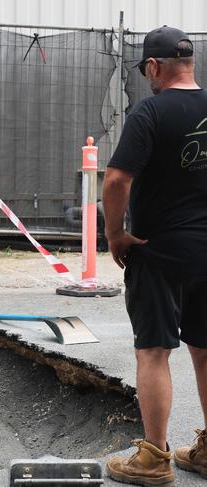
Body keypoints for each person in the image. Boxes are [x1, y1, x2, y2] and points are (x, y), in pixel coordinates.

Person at [103, 26, 207, 485]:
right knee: (205, 351)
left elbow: (116, 181)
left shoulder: (150, 111)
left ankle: (153, 458)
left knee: (153, 351)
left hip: (159, 250)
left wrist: (115, 235)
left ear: (153, 66)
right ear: (191, 63)